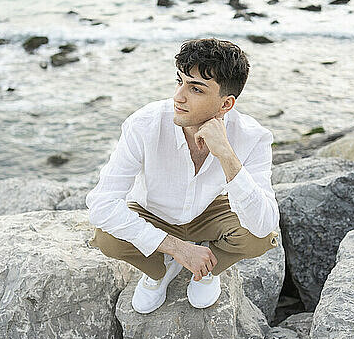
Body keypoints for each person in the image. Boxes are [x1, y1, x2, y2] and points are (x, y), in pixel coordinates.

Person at [85, 37, 279, 314]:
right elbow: (101, 204)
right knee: (107, 238)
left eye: (196, 89)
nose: (179, 96)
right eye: (180, 81)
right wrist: (176, 248)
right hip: (153, 212)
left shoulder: (253, 136)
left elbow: (264, 223)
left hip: (209, 212)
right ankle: (159, 270)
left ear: (226, 104)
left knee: (260, 237)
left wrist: (225, 153)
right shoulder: (144, 124)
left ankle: (207, 269)